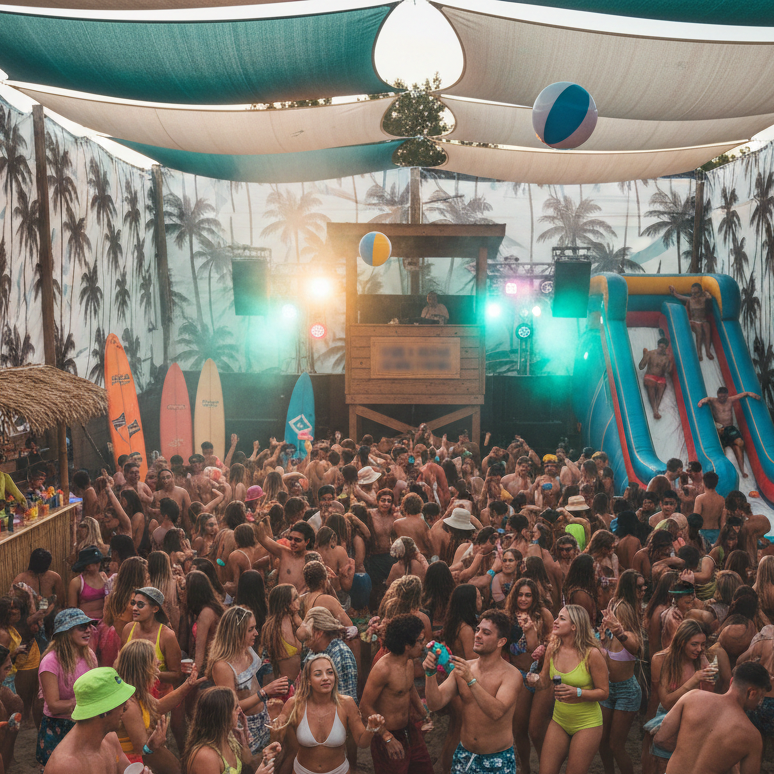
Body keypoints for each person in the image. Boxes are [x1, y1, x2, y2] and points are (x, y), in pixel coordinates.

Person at [423, 608, 519, 774]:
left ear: (501, 642)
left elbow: (496, 712)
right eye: (478, 630)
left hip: (497, 758)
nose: (478, 635)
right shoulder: (464, 667)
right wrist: (430, 674)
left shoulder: (511, 675)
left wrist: (471, 681)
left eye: (486, 632)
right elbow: (434, 702)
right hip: (465, 755)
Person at [526, 605, 609, 774]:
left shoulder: (592, 654)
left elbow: (604, 692)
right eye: (557, 617)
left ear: (574, 626)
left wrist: (577, 692)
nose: (555, 621)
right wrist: (534, 680)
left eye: (562, 619)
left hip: (587, 723)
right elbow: (544, 681)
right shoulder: (553, 648)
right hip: (560, 720)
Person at [272, 653, 386, 774]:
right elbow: (276, 741)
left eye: (330, 672)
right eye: (318, 674)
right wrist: (275, 719)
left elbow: (362, 743)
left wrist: (371, 728)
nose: (326, 678)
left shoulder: (347, 704)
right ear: (309, 680)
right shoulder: (294, 704)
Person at [44, 666, 165, 774]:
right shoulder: (66, 767)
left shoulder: (110, 739)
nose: (127, 705)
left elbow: (126, 770)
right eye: (121, 702)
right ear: (104, 711)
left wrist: (150, 749)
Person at [654, 662, 769, 774]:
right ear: (751, 693)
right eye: (761, 696)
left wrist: (686, 749)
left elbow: (660, 738)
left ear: (731, 681)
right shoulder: (752, 737)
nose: (760, 702)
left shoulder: (692, 696)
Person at [209, 606, 289, 757]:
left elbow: (254, 681)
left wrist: (271, 695)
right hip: (244, 727)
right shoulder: (222, 666)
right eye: (251, 629)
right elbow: (232, 707)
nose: (256, 633)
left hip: (263, 717)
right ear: (236, 633)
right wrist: (265, 692)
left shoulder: (248, 649)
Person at [360, 614, 433, 774]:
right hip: (386, 736)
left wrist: (424, 714)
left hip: (409, 730)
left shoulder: (408, 662)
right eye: (420, 640)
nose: (425, 644)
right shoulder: (383, 669)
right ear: (407, 645)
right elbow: (365, 707)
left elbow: (409, 688)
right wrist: (387, 737)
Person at [115, 639, 204, 767]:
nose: (159, 663)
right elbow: (143, 750)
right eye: (154, 661)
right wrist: (154, 745)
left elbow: (157, 706)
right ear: (142, 668)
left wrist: (188, 685)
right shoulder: (128, 704)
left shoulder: (137, 692)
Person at [36, 608, 98, 767]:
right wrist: (85, 702)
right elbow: (54, 705)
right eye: (82, 627)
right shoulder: (50, 662)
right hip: (58, 726)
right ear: (65, 632)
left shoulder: (89, 655)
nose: (88, 629)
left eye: (89, 625)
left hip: (84, 722)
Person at [182, 685, 278, 774]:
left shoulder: (229, 738)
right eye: (236, 707)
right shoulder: (205, 756)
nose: (240, 710)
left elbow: (247, 762)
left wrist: (263, 755)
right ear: (222, 715)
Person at [121, 587, 182, 699]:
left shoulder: (167, 636)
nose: (134, 608)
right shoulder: (128, 629)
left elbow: (177, 675)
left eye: (140, 605)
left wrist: (149, 673)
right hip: (131, 697)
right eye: (133, 603)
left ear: (155, 609)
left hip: (159, 699)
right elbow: (121, 662)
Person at [697, 387, 761, 477]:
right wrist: (701, 402)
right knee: (722, 451)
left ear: (727, 396)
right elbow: (706, 399)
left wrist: (752, 394)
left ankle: (742, 470)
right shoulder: (714, 400)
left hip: (730, 428)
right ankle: (725, 472)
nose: (721, 399)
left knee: (740, 443)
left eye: (723, 397)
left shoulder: (730, 400)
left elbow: (743, 394)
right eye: (720, 397)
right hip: (720, 430)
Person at [298, 607, 358, 702]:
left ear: (319, 633)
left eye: (307, 639)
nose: (305, 644)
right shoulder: (314, 650)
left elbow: (346, 700)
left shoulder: (341, 655)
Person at [260, 585, 303, 684]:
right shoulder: (277, 627)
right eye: (295, 598)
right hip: (284, 686)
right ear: (286, 604)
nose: (299, 600)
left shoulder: (290, 620)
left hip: (294, 683)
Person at [669, 283, 714, 361]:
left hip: (703, 320)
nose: (694, 295)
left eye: (696, 293)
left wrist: (706, 293)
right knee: (698, 329)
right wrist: (674, 291)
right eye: (692, 293)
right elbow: (678, 296)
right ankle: (699, 352)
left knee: (707, 326)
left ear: (700, 292)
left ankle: (708, 351)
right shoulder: (690, 299)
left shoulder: (703, 299)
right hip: (694, 321)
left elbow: (709, 297)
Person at [639, 338, 672, 420]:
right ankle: (655, 411)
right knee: (651, 384)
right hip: (650, 376)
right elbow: (641, 367)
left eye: (663, 348)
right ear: (658, 346)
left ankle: (656, 409)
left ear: (666, 348)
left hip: (660, 378)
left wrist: (669, 362)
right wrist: (645, 357)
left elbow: (667, 371)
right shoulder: (650, 353)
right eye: (660, 347)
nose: (661, 349)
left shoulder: (666, 358)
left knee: (662, 387)